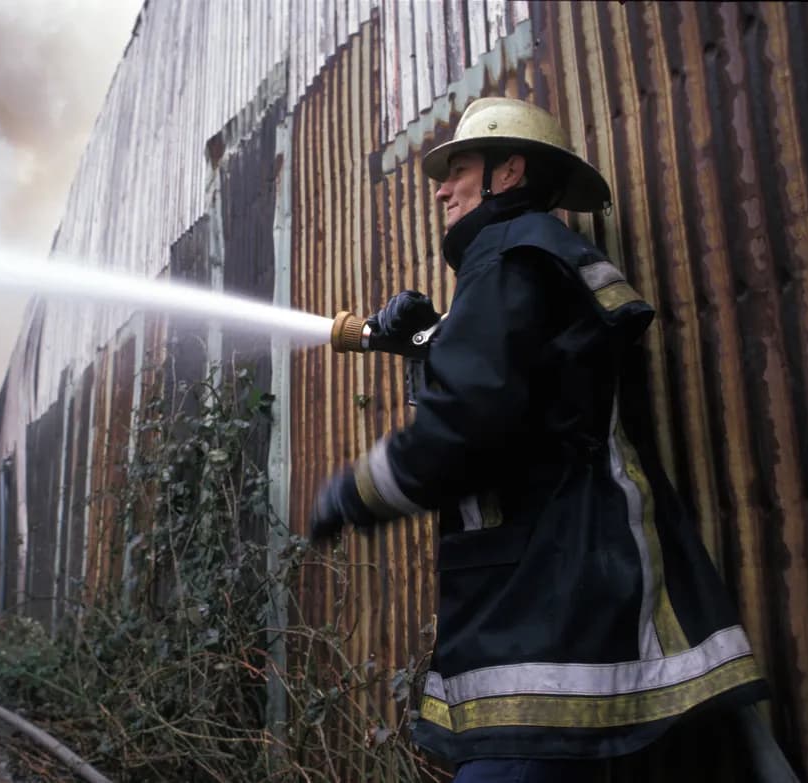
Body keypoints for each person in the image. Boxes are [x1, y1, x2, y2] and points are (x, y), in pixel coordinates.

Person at [309, 96, 768, 782]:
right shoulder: (531, 260)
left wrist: (354, 491)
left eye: (457, 168)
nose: (439, 188)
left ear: (509, 171)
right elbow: (531, 388)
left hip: (558, 601)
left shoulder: (508, 253)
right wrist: (432, 341)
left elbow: (467, 421)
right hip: (576, 589)